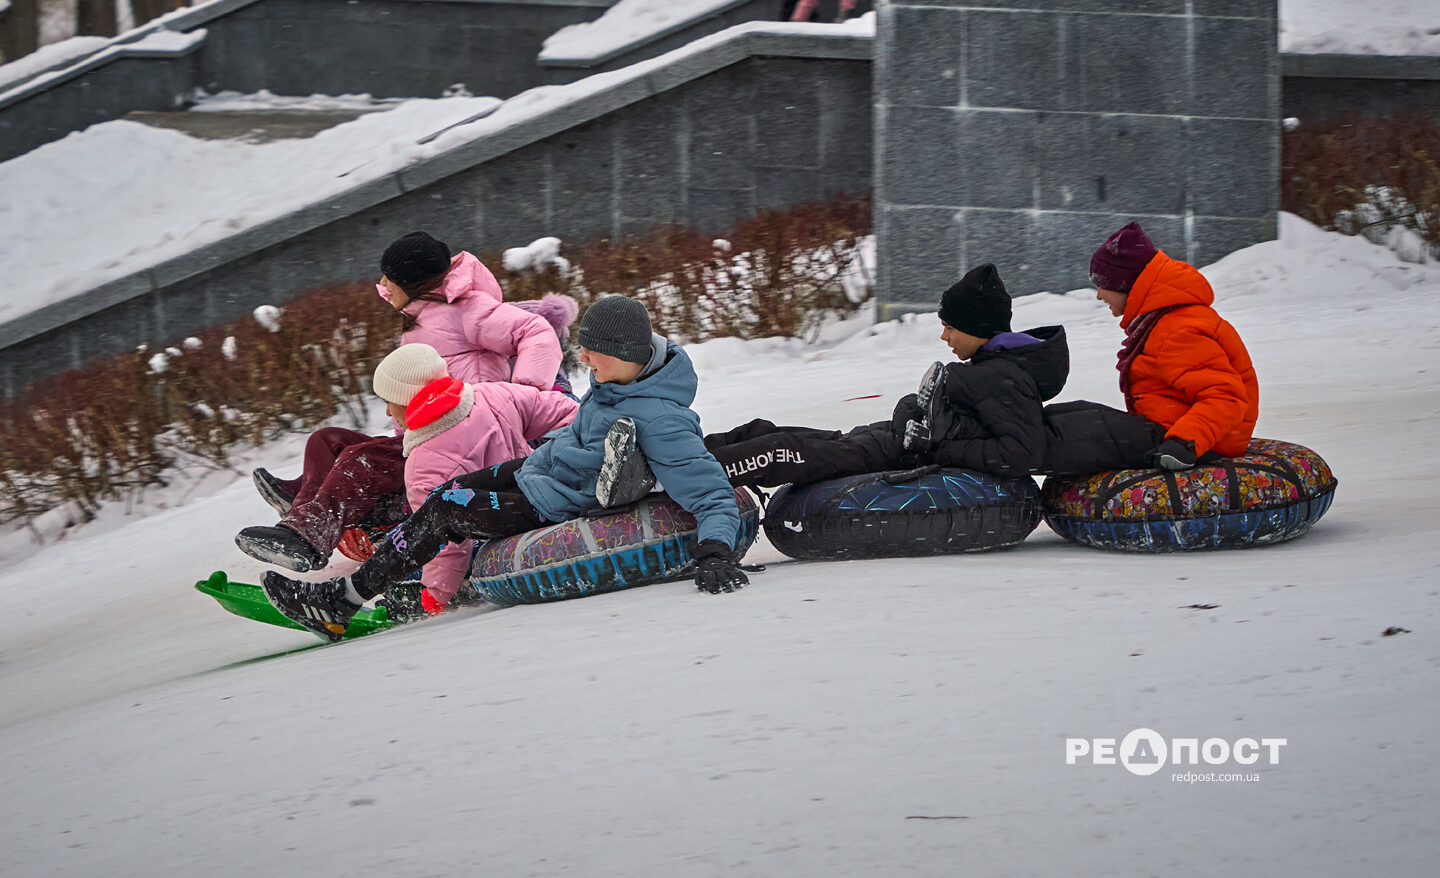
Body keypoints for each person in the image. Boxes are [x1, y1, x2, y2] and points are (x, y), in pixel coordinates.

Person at [261, 296, 750, 642]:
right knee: (447, 494)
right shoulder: (615, 385)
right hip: (536, 470)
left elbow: (708, 491)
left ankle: (339, 602)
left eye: (591, 350)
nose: (581, 357)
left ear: (623, 353)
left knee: (446, 508)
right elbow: (566, 418)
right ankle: (378, 580)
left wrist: (715, 552)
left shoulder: (661, 421)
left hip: (550, 502)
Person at [236, 232, 568, 572]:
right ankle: (305, 506)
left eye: (388, 278)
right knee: (327, 441)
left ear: (412, 281)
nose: (382, 284)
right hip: (428, 434)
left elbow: (536, 331)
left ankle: (308, 537)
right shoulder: (420, 317)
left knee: (361, 459)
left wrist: (526, 392)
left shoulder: (466, 310)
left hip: (469, 439)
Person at [703, 264, 1069, 488]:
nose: (944, 337)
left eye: (950, 327)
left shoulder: (1002, 377)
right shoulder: (992, 368)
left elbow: (1020, 454)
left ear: (978, 327)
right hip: (882, 439)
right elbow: (932, 411)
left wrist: (933, 446)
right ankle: (692, 451)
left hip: (890, 456)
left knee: (780, 452)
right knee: (767, 433)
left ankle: (689, 476)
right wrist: (916, 418)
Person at [359, 342, 577, 615]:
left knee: (402, 547)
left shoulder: (423, 463)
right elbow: (565, 412)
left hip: (493, 538)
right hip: (538, 499)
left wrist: (435, 597)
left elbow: (445, 543)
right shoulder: (493, 394)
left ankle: (400, 603)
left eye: (388, 402)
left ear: (408, 399)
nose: (388, 413)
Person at [1066, 221, 1260, 472]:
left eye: (1102, 284)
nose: (1099, 295)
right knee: (1069, 417)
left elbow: (1224, 397)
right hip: (1172, 426)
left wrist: (1184, 443)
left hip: (1197, 440)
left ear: (1126, 284)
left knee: (1073, 432)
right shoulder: (1164, 320)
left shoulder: (1178, 329)